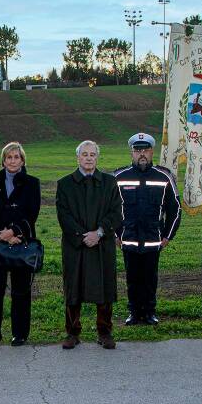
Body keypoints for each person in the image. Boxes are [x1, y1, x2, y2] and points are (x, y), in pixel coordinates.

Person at [55, 141, 122, 350]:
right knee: (73, 288)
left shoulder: (110, 183)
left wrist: (99, 233)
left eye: (93, 154)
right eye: (85, 154)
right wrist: (82, 236)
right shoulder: (65, 184)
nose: (89, 158)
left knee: (104, 288)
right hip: (76, 245)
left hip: (102, 245)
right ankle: (72, 332)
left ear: (97, 158)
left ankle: (105, 331)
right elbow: (63, 215)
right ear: (78, 157)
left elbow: (116, 213)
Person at [112, 133, 181, 326]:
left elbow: (175, 209)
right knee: (132, 277)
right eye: (137, 150)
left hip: (153, 238)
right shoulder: (119, 177)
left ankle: (150, 311)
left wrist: (168, 235)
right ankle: (134, 312)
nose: (141, 154)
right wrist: (115, 234)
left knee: (150, 278)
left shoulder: (163, 176)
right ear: (132, 152)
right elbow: (109, 208)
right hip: (129, 238)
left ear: (152, 152)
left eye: (145, 150)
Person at [0, 142, 41, 348]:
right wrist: (2, 234)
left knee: (21, 291)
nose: (12, 160)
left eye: (16, 157)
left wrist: (13, 232)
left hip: (21, 243)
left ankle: (20, 333)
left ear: (22, 160)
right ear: (3, 160)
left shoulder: (32, 183)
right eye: (9, 157)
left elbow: (32, 213)